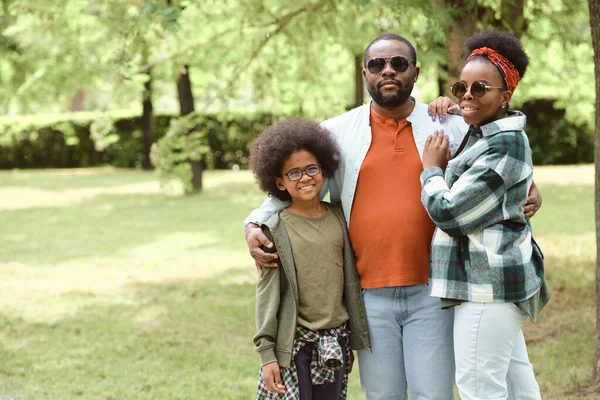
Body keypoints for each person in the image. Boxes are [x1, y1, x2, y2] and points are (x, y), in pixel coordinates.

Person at [245, 33, 542, 400]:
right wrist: (255, 222)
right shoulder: (336, 133)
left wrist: (531, 188)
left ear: (415, 72)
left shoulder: (448, 123)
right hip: (368, 296)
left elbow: (499, 161)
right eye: (377, 64)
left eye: (399, 64)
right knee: (382, 396)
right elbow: (297, 182)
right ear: (365, 72)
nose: (388, 71)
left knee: (432, 395)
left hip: (434, 291)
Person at [420, 30, 549, 400]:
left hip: (487, 287)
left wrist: (431, 170)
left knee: (480, 388)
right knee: (518, 388)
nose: (467, 97)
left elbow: (450, 212)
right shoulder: (484, 133)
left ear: (505, 96)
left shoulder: (504, 143)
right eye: (462, 87)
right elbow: (463, 114)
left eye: (480, 89)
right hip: (495, 285)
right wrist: (448, 105)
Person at [250, 118, 370, 400]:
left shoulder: (341, 218)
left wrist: (350, 340)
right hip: (294, 345)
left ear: (324, 170)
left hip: (334, 343)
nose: (305, 178)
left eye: (311, 169)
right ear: (279, 181)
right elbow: (267, 296)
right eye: (293, 173)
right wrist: (267, 355)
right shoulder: (274, 231)